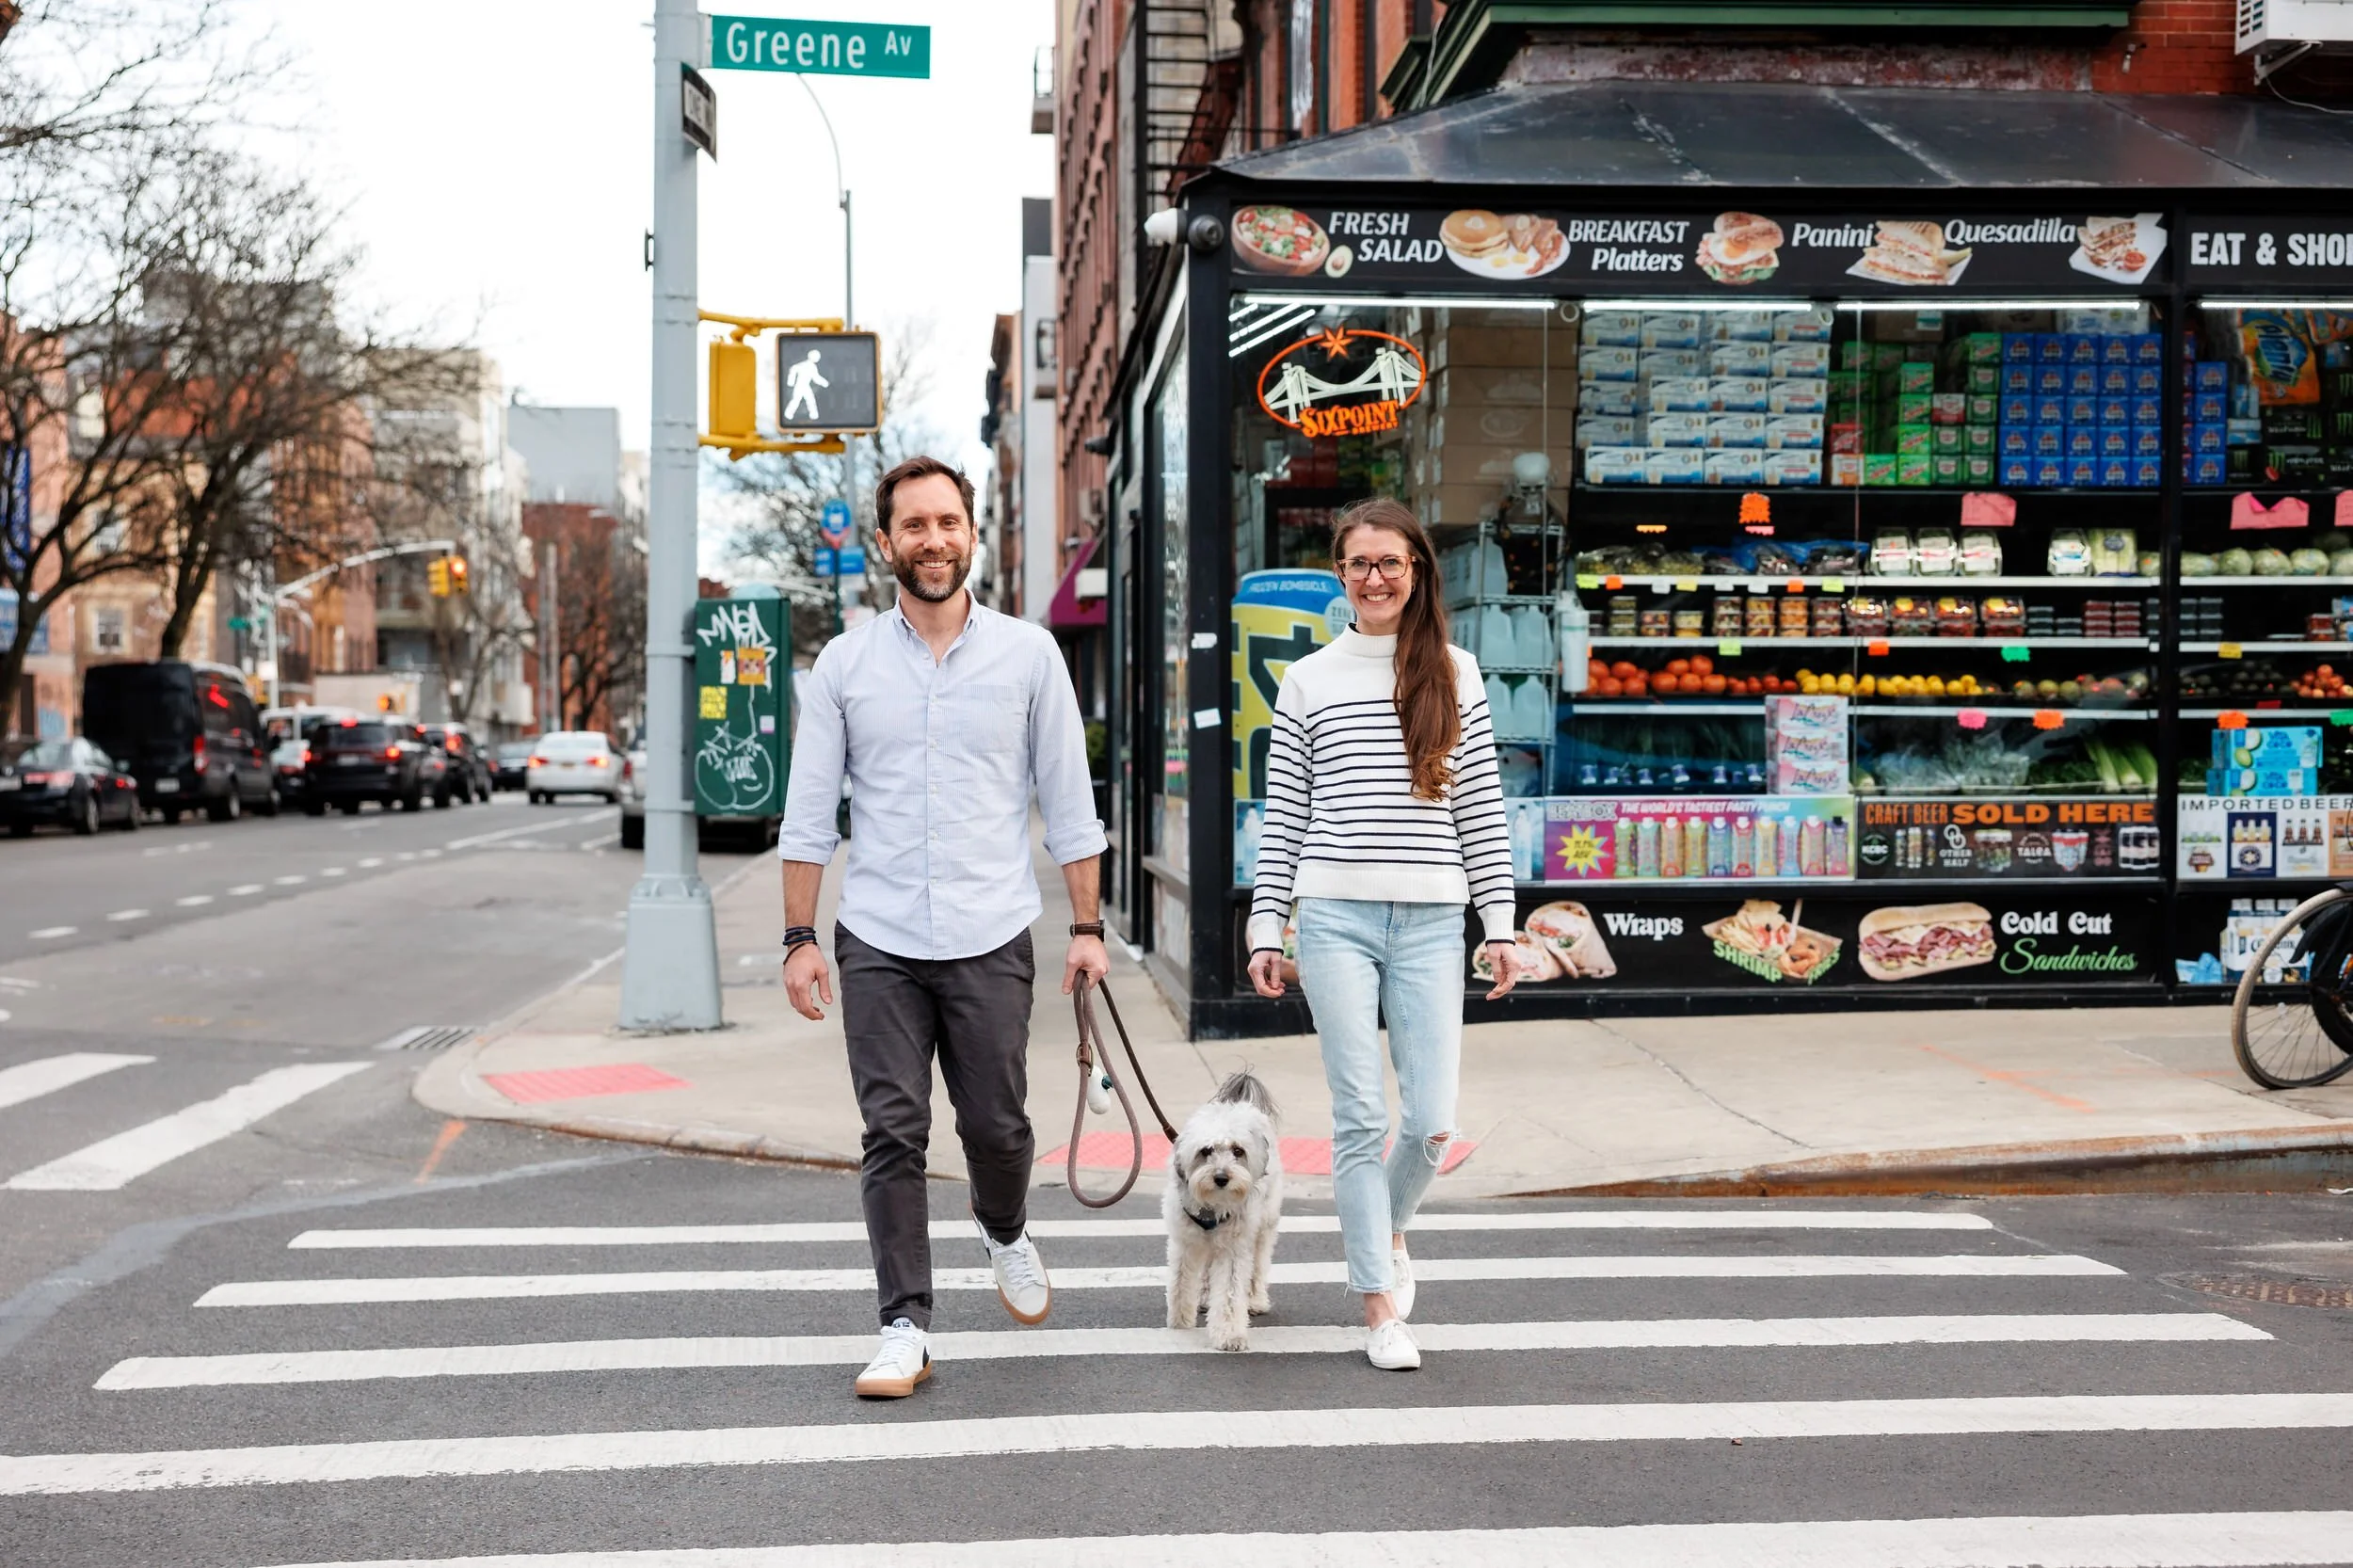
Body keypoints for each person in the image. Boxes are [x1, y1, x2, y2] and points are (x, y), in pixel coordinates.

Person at [777, 455, 1109, 1400]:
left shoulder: (1029, 656)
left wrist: (1087, 926)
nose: (933, 540)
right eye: (914, 525)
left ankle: (1004, 1226)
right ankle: (903, 1326)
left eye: (948, 522)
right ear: (886, 542)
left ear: (972, 533)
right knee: (893, 1131)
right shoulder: (844, 666)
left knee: (998, 1128)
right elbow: (809, 814)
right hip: (878, 937)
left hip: (991, 931)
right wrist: (799, 938)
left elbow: (1069, 804)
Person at [1244, 497, 1519, 1372]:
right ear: (1341, 575)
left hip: (1434, 921)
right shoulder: (1308, 679)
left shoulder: (1455, 673)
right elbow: (1284, 816)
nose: (1374, 578)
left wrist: (1500, 924)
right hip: (1334, 918)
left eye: (1390, 563)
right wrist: (1265, 925)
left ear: (1416, 571)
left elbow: (1481, 808)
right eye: (1359, 564)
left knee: (1432, 1123)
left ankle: (1388, 1226)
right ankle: (1377, 1307)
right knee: (1360, 1116)